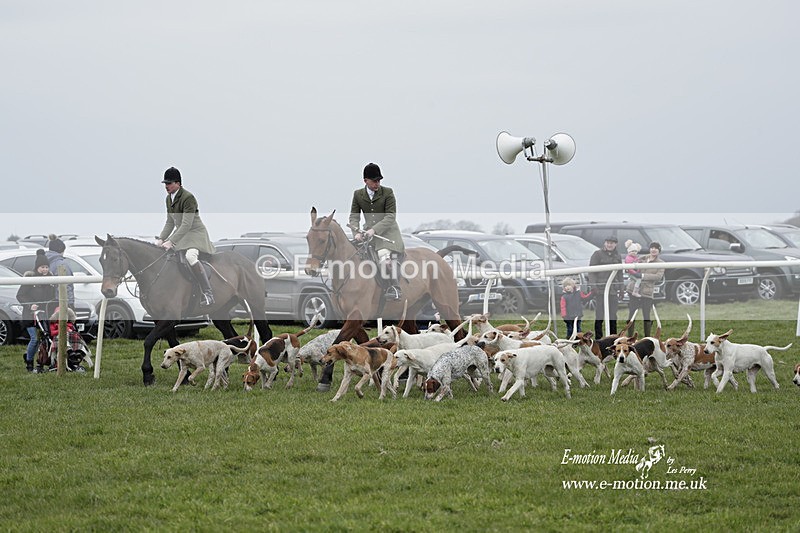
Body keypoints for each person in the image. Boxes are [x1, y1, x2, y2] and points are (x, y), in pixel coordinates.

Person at [156, 167, 216, 307]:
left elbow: (186, 224)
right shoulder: (168, 199)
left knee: (190, 257)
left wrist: (171, 241)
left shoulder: (188, 198)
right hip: (182, 235)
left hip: (195, 234)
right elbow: (170, 222)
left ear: (178, 183)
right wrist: (160, 239)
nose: (166, 186)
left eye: (169, 183)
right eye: (165, 183)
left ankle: (208, 293)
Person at [349, 162, 405, 300]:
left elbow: (391, 216)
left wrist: (374, 230)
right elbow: (354, 216)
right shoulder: (358, 195)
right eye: (374, 181)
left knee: (384, 259)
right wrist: (355, 233)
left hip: (389, 235)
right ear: (365, 181)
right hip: (368, 235)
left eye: (379, 180)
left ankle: (394, 287)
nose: (377, 183)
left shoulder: (388, 193)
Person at [16, 250, 56, 373]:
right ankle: (29, 363)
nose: (45, 269)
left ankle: (42, 362)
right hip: (30, 315)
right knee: (34, 339)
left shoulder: (51, 280)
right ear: (37, 267)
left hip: (44, 315)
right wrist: (30, 306)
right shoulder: (30, 279)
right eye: (42, 267)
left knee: (45, 339)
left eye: (46, 267)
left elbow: (53, 297)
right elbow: (20, 295)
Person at [625, 241, 665, 338]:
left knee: (646, 314)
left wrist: (642, 276)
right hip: (633, 289)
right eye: (652, 247)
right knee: (632, 313)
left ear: (659, 250)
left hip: (647, 292)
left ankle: (647, 337)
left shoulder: (661, 263)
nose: (653, 250)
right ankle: (629, 336)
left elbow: (658, 277)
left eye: (656, 248)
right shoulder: (641, 258)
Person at [588, 236, 623, 339]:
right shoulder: (597, 254)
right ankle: (598, 338)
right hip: (600, 290)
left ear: (615, 244)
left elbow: (620, 273)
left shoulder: (617, 256)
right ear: (604, 243)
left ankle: (613, 338)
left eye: (612, 243)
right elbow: (592, 272)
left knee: (613, 315)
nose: (609, 245)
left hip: (613, 290)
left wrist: (621, 288)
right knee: (599, 315)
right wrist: (593, 286)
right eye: (608, 242)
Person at [45, 234, 75, 309]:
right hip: (60, 302)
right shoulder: (62, 264)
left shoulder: (44, 262)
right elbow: (66, 286)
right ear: (61, 250)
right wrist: (69, 304)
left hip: (47, 303)